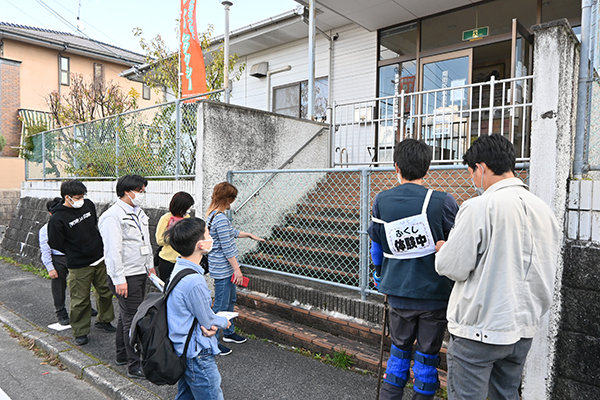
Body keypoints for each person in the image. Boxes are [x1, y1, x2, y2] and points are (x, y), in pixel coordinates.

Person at [435, 134, 560, 400]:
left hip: (478, 331)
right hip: (522, 328)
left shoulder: (479, 206)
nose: (473, 180)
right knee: (507, 394)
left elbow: (452, 267)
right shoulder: (544, 210)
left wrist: (443, 249)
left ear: (480, 168)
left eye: (471, 173)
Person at [368, 139, 459, 400]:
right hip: (435, 293)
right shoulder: (443, 201)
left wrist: (378, 272)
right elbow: (457, 243)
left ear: (396, 166)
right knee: (427, 359)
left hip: (397, 290)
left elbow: (377, 246)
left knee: (398, 353)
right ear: (427, 168)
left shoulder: (382, 200)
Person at [165, 217, 231, 400]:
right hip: (197, 353)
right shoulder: (194, 281)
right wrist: (224, 322)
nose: (211, 238)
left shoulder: (180, 267)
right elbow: (207, 320)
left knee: (186, 396)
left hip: (183, 347)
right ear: (200, 245)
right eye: (208, 234)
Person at [98, 174, 155, 379]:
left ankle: (122, 355)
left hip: (139, 271)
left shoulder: (138, 212)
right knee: (133, 319)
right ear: (126, 191)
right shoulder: (112, 216)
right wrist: (118, 278)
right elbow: (112, 251)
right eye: (139, 190)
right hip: (126, 275)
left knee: (126, 315)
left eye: (143, 190)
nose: (142, 194)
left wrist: (150, 266)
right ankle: (134, 364)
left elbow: (144, 242)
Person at [47, 180, 115, 346]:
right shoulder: (57, 219)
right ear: (67, 197)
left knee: (105, 292)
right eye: (77, 197)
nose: (81, 199)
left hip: (99, 257)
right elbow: (55, 243)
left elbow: (93, 226)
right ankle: (80, 331)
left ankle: (104, 320)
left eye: (83, 196)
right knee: (80, 299)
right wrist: (75, 250)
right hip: (78, 264)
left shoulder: (88, 205)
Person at [205, 182, 264, 355]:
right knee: (221, 306)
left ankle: (229, 332)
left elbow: (231, 232)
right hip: (224, 270)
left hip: (223, 268)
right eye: (233, 198)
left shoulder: (213, 215)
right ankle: (213, 342)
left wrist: (249, 234)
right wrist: (237, 270)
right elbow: (227, 247)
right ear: (228, 199)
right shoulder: (220, 218)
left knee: (229, 301)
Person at [39, 197, 69, 325]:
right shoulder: (45, 229)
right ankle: (61, 313)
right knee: (58, 286)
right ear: (51, 213)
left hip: (74, 256)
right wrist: (50, 268)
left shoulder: (70, 221)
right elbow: (45, 249)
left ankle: (85, 308)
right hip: (58, 258)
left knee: (79, 285)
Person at [155, 191, 195, 283]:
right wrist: (177, 236)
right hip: (167, 260)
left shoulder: (187, 218)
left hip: (184, 260)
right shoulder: (166, 218)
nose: (189, 209)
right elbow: (160, 240)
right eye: (188, 207)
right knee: (167, 288)